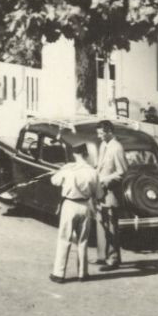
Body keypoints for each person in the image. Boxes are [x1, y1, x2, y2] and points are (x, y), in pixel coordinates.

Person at [48, 147, 100, 283]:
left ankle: (59, 274)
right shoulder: (93, 172)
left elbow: (54, 181)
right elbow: (99, 193)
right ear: (86, 154)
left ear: (74, 154)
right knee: (83, 241)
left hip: (70, 205)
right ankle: (83, 274)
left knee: (64, 239)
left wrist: (60, 171)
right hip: (85, 206)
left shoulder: (69, 169)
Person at [91, 121, 129, 270]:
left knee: (111, 226)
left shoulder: (117, 148)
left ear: (109, 132)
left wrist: (105, 181)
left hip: (111, 193)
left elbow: (123, 172)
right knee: (101, 224)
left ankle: (113, 259)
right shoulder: (103, 145)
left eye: (101, 133)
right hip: (100, 192)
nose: (99, 136)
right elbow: (100, 166)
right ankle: (102, 256)